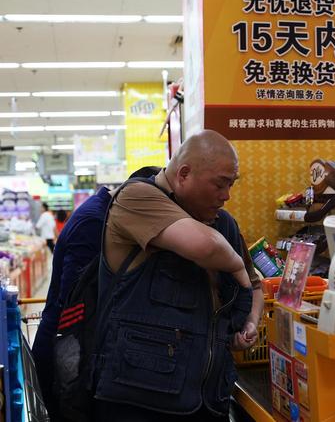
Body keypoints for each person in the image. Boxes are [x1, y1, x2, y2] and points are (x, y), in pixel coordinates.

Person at [92, 130, 263, 422]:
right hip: (140, 401)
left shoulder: (223, 224)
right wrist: (236, 267)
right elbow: (205, 246)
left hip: (208, 401)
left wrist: (248, 323)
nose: (227, 195)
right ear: (184, 174)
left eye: (231, 184)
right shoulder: (136, 198)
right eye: (220, 184)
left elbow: (255, 285)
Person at [32, 166, 163, 420]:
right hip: (67, 357)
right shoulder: (96, 221)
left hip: (70, 352)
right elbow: (74, 299)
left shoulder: (102, 211)